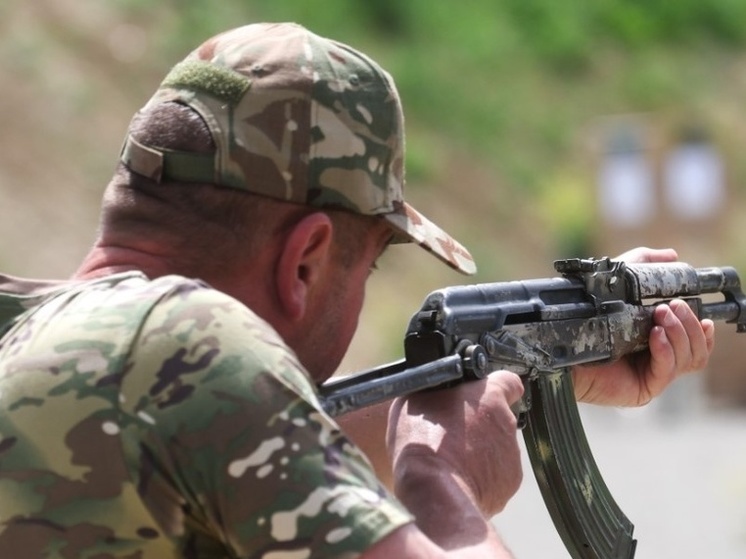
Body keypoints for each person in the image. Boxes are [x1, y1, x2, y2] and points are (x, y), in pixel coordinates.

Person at [0, 22, 714, 559]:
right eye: (365, 266)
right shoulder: (191, 343)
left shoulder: (40, 342)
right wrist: (442, 479)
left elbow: (255, 438)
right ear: (305, 258)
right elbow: (232, 400)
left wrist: (530, 370)